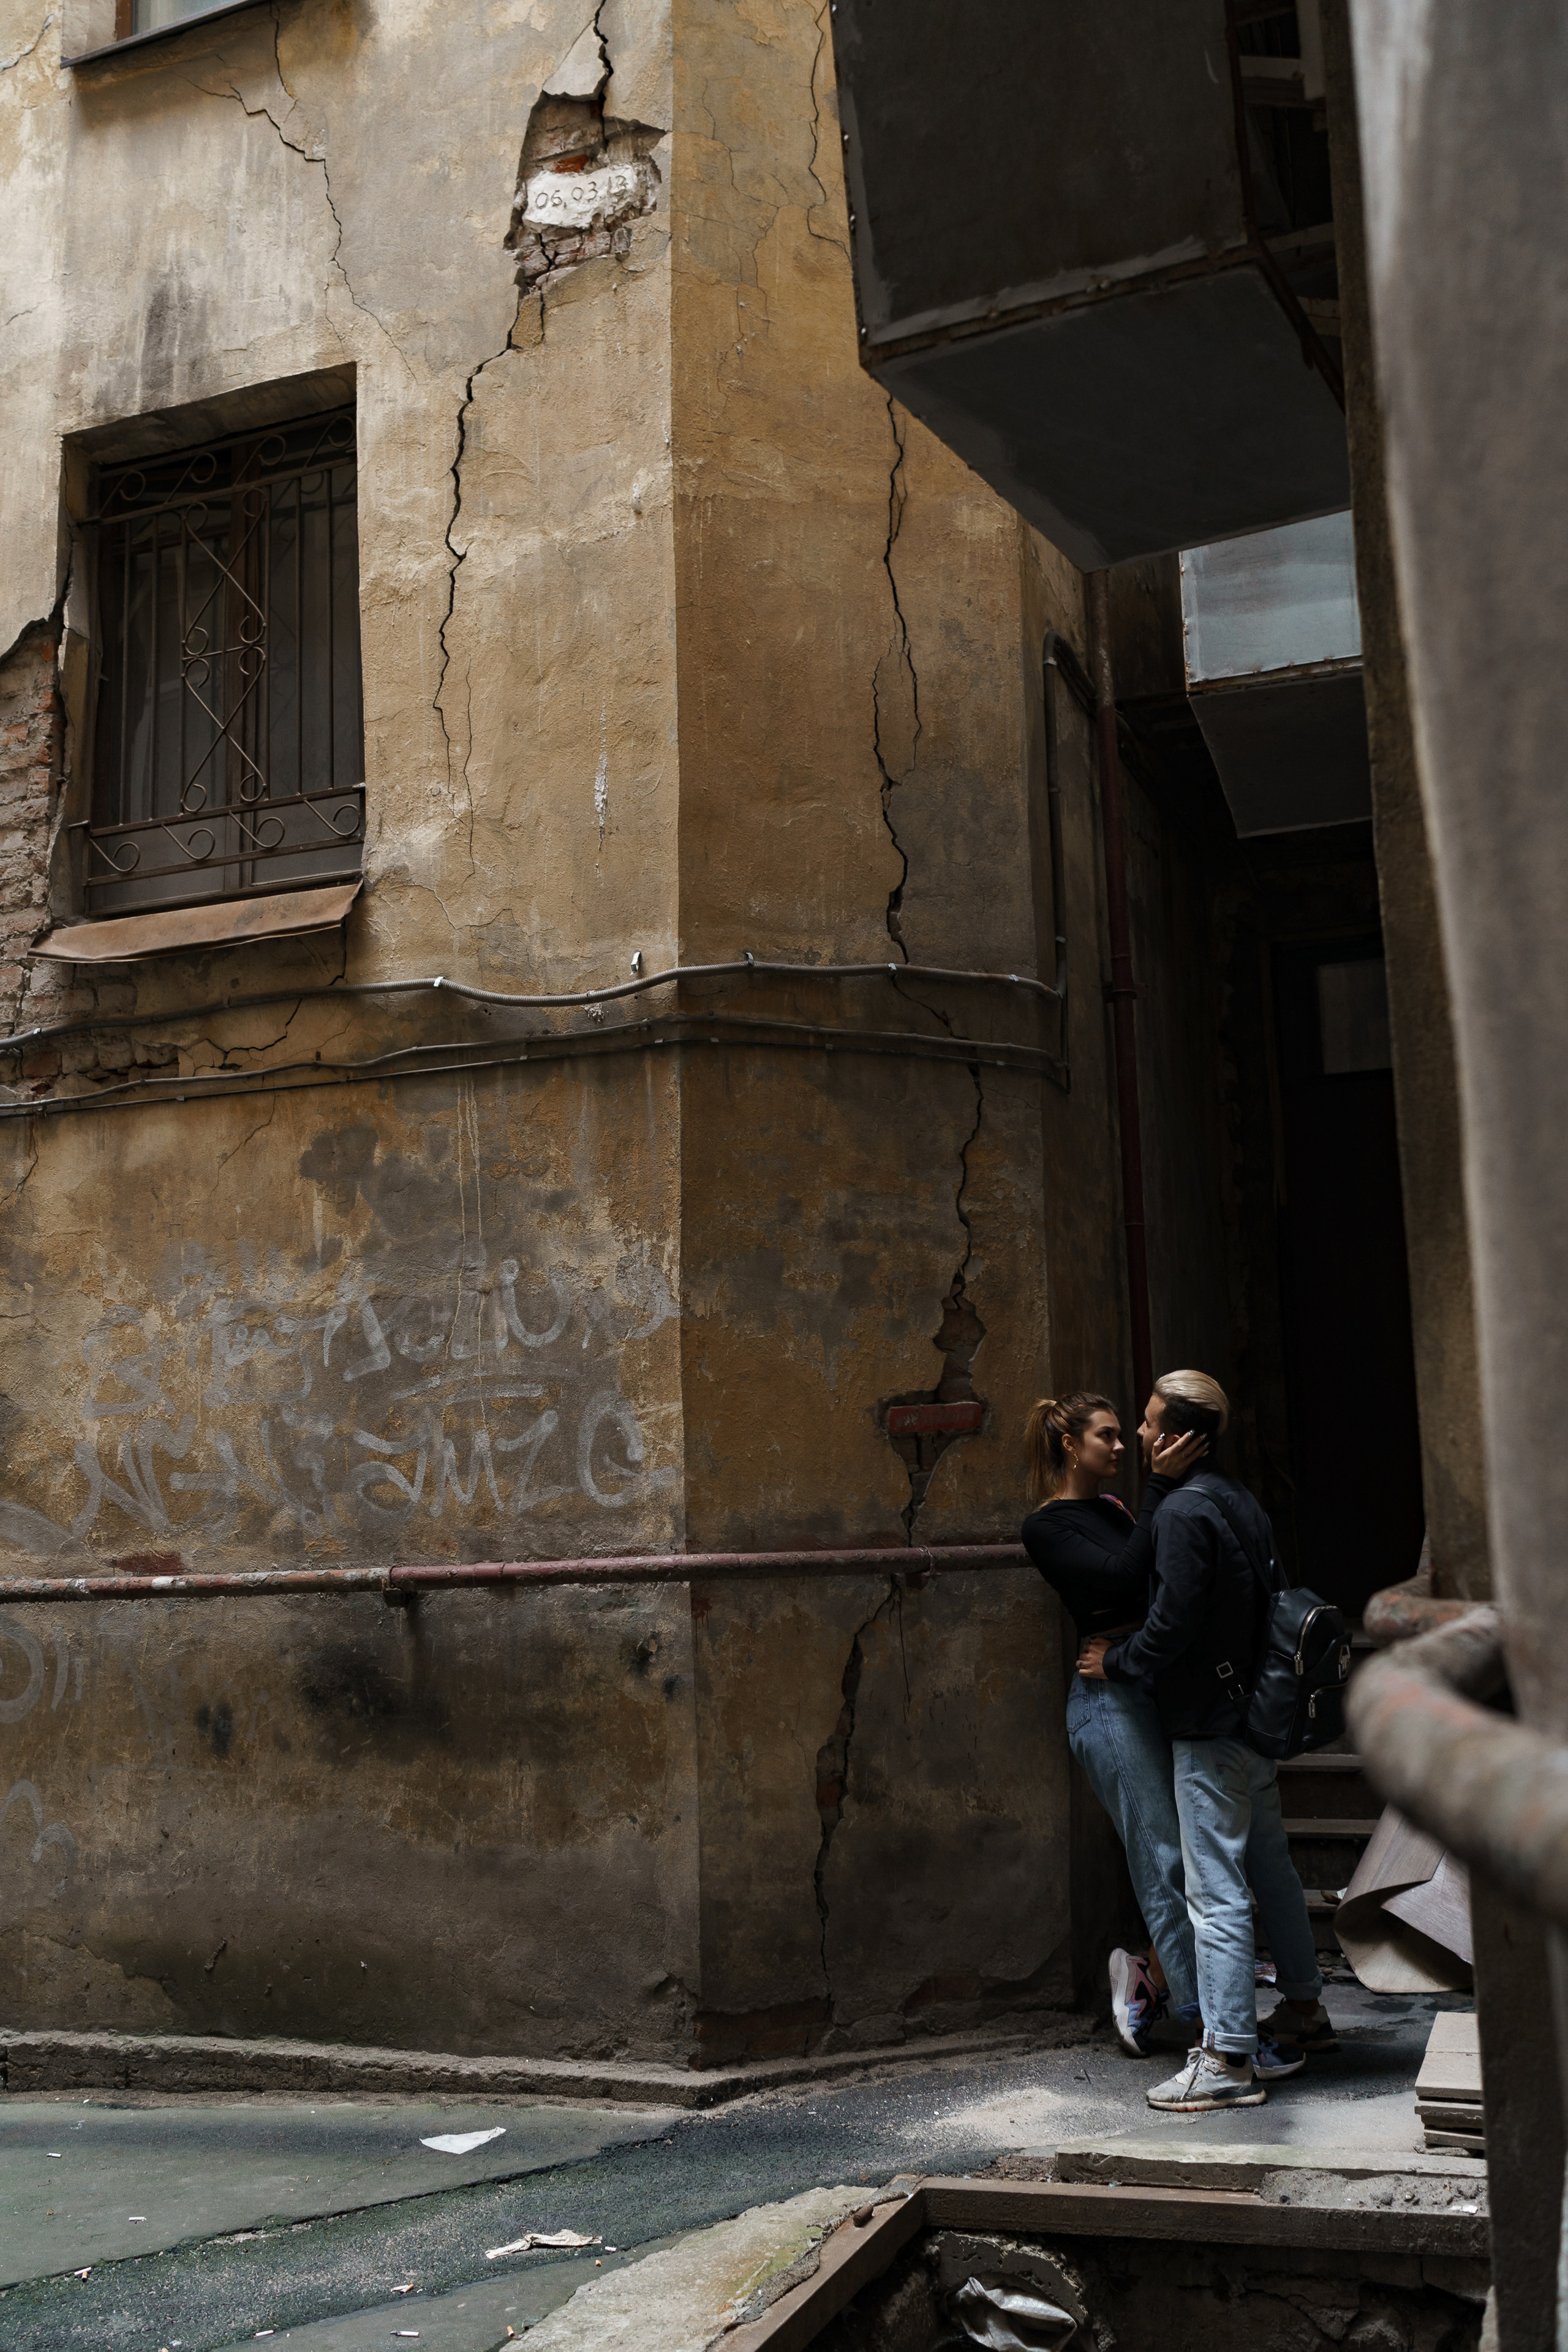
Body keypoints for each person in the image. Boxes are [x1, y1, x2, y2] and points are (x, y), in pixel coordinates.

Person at [1080, 1371, 1337, 2113]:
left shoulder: (1183, 1511)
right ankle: (1304, 2011)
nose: (1138, 1433)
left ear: (1174, 1437)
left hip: (1208, 1728)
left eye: (1148, 1421)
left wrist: (1115, 1661)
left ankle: (1226, 2059)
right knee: (1272, 1870)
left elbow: (1170, 1624)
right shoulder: (1235, 1497)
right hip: (1255, 1718)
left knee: (1213, 1891)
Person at [1021, 1392, 1207, 2055]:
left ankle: (1147, 1974)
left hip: (1145, 1678)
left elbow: (1155, 1576)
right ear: (1070, 1445)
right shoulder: (1046, 1527)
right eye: (1107, 1435)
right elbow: (1126, 1574)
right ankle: (1206, 2028)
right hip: (1106, 1703)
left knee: (1191, 1852)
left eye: (1124, 1435)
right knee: (1164, 1860)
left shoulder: (1115, 1508)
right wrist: (1160, 1484)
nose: (1123, 1445)